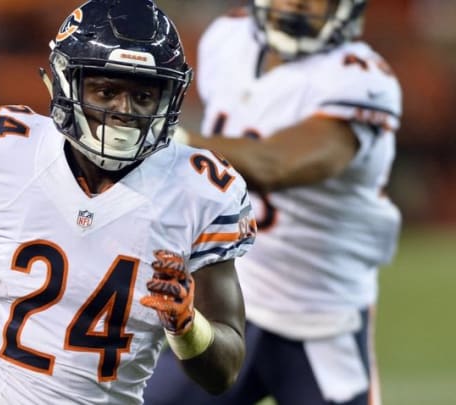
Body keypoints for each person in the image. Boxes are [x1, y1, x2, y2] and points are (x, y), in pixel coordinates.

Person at [0, 1, 258, 404]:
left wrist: (188, 327)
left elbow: (224, 371)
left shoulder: (201, 189)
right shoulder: (6, 147)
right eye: (107, 91)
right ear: (66, 82)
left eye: (142, 96)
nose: (124, 111)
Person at [144, 1, 402, 404]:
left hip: (320, 317)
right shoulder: (227, 39)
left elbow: (275, 165)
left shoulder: (362, 78)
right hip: (231, 295)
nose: (296, 3)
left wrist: (172, 141)